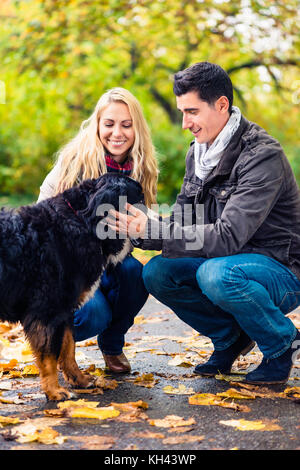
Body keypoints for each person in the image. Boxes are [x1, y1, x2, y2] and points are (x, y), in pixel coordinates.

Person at [110, 62, 300, 384]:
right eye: (182, 112)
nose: (185, 123)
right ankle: (231, 339)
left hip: (279, 268)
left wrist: (154, 228)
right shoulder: (199, 153)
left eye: (192, 112)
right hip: (228, 263)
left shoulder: (261, 155)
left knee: (215, 274)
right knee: (157, 273)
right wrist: (140, 228)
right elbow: (186, 219)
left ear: (222, 105)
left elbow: (228, 236)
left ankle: (282, 344)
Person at [37, 87, 158, 373]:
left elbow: (143, 222)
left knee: (136, 274)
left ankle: (112, 345)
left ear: (136, 129)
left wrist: (156, 229)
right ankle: (62, 352)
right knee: (94, 314)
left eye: (127, 125)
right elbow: (41, 213)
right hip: (71, 266)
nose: (118, 133)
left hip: (112, 262)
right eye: (109, 124)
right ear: (98, 125)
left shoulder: (141, 167)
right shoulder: (74, 161)